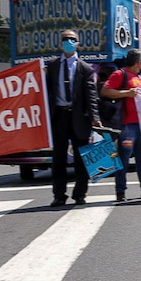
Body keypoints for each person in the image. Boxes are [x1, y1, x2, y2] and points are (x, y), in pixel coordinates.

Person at [46, 30, 101, 206]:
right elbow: (46, 92)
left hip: (79, 118)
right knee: (59, 159)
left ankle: (80, 194)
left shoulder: (85, 68)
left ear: (78, 44)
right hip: (59, 117)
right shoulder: (52, 66)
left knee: (81, 159)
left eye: (72, 39)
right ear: (60, 43)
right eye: (65, 39)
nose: (68, 42)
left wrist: (95, 116)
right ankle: (59, 195)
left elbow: (91, 95)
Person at [100, 49, 141, 201]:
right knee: (124, 158)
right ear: (138, 62)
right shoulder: (119, 75)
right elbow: (105, 91)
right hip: (127, 125)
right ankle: (120, 191)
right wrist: (127, 93)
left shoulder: (139, 78)